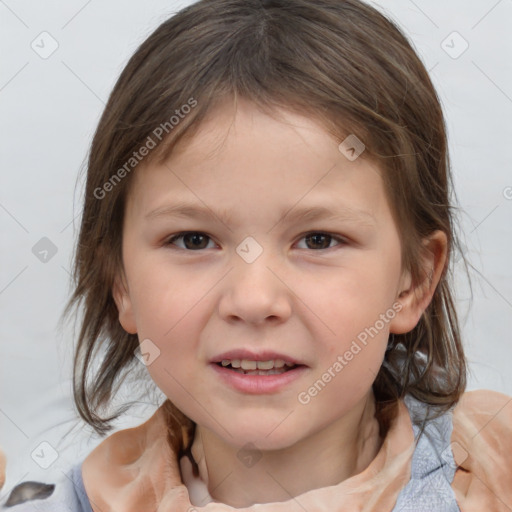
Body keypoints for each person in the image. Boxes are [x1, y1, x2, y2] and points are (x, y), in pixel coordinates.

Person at [3, 0, 511, 510]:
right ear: (121, 282)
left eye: (318, 240)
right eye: (194, 240)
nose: (253, 299)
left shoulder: (495, 473)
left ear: (413, 282)